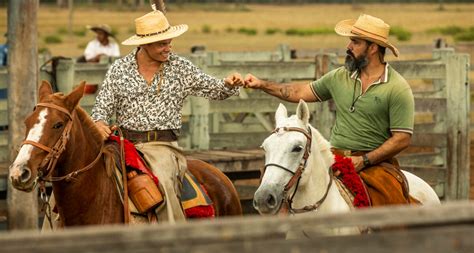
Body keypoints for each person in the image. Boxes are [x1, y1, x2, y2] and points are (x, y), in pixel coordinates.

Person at [91, 9, 244, 223]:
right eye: (162, 44)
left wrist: (229, 84)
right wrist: (98, 122)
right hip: (123, 145)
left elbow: (215, 89)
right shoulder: (119, 69)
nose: (168, 48)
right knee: (80, 176)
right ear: (144, 44)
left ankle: (171, 235)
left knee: (162, 181)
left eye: (169, 42)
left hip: (162, 148)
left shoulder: (180, 67)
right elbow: (102, 106)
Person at [244, 14, 415, 205]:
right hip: (335, 159)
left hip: (376, 165)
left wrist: (364, 160)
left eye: (355, 42)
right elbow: (298, 91)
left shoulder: (397, 87)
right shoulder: (339, 77)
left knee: (389, 212)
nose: (348, 47)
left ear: (373, 48)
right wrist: (261, 84)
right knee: (288, 194)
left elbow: (402, 138)